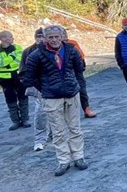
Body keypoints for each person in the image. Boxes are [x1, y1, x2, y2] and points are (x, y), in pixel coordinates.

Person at [21, 24, 88, 176]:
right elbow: (29, 78)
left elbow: (79, 70)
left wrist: (77, 87)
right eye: (50, 37)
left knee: (75, 128)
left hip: (71, 93)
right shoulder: (35, 55)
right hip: (51, 97)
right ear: (45, 38)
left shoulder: (72, 50)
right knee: (58, 131)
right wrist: (45, 88)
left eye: (57, 36)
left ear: (63, 36)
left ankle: (79, 157)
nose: (54, 40)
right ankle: (63, 161)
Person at [0, 30, 30, 131]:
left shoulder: (18, 47)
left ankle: (25, 119)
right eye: (10, 37)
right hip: (5, 78)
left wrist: (7, 62)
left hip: (18, 75)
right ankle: (15, 121)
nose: (12, 39)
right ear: (3, 39)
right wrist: (12, 57)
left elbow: (19, 60)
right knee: (10, 99)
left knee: (23, 97)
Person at [20, 28, 50, 151]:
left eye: (43, 36)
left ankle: (55, 135)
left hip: (55, 87)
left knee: (57, 114)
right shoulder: (28, 51)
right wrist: (33, 85)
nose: (40, 39)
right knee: (41, 115)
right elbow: (23, 72)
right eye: (38, 36)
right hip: (39, 89)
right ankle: (40, 140)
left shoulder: (54, 50)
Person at [61, 29, 96, 118]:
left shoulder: (73, 43)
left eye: (65, 34)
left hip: (76, 71)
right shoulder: (56, 47)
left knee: (82, 90)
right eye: (62, 35)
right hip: (63, 73)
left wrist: (82, 66)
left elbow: (81, 55)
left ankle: (86, 108)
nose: (64, 36)